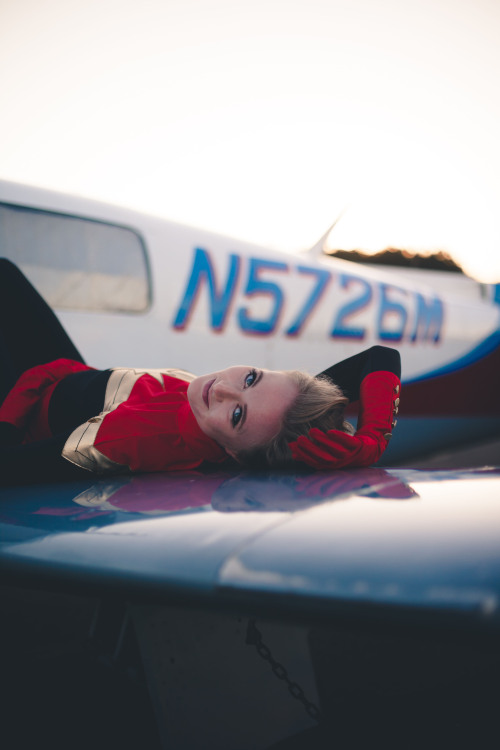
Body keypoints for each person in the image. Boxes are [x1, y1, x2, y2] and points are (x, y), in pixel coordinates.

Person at [0, 259, 401, 485]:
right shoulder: (257, 412)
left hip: (23, 400)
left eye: (237, 415)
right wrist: (372, 435)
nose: (223, 391)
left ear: (232, 454)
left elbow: (15, 466)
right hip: (67, 376)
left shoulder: (137, 437)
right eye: (251, 377)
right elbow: (379, 357)